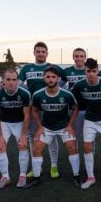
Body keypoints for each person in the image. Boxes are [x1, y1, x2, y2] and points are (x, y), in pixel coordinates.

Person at [23, 66, 80, 188]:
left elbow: (75, 109)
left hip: (64, 127)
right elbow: (34, 110)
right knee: (36, 149)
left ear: (58, 79)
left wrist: (70, 125)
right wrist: (39, 127)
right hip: (47, 128)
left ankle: (76, 176)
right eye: (48, 77)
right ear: (44, 78)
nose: (50, 79)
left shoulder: (66, 94)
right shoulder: (38, 95)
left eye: (53, 77)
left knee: (72, 148)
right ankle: (37, 177)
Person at [18, 42, 65, 179]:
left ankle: (54, 166)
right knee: (33, 138)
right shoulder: (27, 68)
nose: (40, 54)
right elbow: (19, 85)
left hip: (50, 109)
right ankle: (35, 167)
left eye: (43, 52)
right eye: (38, 51)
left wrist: (57, 88)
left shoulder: (53, 67)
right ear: (34, 53)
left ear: (47, 53)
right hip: (34, 109)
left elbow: (65, 78)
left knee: (52, 137)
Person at [71, 58, 101, 189]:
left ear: (97, 71)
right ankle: (90, 177)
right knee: (87, 147)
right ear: (85, 71)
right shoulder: (80, 85)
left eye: (93, 71)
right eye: (88, 71)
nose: (91, 73)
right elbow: (69, 96)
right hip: (90, 120)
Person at [0, 68, 31, 189]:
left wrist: (23, 135)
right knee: (0, 146)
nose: (11, 82)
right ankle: (5, 177)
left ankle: (22, 176)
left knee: (23, 145)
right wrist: (0, 136)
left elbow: (27, 115)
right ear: (3, 80)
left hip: (20, 122)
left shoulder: (24, 94)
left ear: (18, 80)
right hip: (4, 122)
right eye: (8, 79)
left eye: (14, 79)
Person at [62, 48, 87, 154]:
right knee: (73, 138)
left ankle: (89, 167)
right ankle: (75, 166)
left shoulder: (91, 70)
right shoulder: (67, 71)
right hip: (74, 110)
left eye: (81, 56)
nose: (79, 58)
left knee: (89, 140)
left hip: (89, 110)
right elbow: (58, 87)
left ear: (85, 57)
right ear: (73, 57)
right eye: (76, 56)